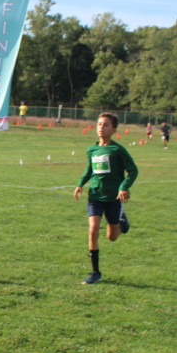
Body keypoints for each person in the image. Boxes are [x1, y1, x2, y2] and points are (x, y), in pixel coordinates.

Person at [73, 112, 138, 285]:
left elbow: (133, 170)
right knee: (93, 229)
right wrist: (80, 184)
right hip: (95, 196)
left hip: (113, 198)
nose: (101, 127)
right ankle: (95, 272)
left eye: (106, 125)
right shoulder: (91, 149)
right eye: (99, 124)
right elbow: (89, 169)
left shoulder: (117, 150)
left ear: (114, 129)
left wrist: (123, 187)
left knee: (112, 237)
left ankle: (122, 222)